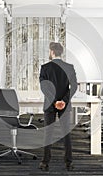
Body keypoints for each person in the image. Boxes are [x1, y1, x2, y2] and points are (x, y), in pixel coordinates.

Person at [38, 42, 77, 171]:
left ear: (52, 52)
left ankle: (45, 163)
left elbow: (44, 87)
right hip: (64, 105)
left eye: (49, 51)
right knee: (66, 134)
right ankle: (69, 163)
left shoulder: (45, 67)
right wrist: (64, 101)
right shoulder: (69, 67)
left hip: (50, 104)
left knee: (48, 134)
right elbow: (74, 87)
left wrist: (54, 101)